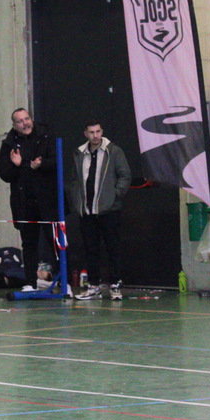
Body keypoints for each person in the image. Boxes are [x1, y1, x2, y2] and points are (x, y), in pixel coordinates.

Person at [68, 121, 130, 300]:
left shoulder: (114, 151)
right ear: (85, 134)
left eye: (98, 131)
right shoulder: (80, 153)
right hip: (87, 210)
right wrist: (77, 199)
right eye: (91, 132)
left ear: (102, 131)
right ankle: (93, 285)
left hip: (109, 210)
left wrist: (114, 195)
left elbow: (125, 175)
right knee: (91, 249)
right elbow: (74, 179)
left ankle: (115, 285)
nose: (95, 135)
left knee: (113, 248)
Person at [0, 108, 58, 289]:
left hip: (47, 201)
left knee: (55, 243)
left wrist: (41, 164)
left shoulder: (46, 136)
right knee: (29, 244)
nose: (25, 123)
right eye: (20, 121)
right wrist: (16, 165)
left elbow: (56, 162)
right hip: (24, 202)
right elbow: (5, 174)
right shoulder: (8, 145)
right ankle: (31, 282)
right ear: (14, 125)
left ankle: (64, 281)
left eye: (27, 119)